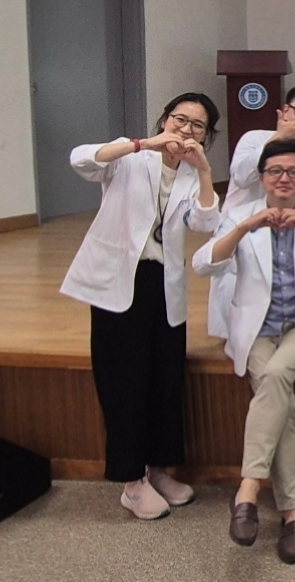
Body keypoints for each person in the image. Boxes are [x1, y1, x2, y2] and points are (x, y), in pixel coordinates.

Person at [60, 93, 221, 520]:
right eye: (180, 119)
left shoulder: (192, 175)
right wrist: (142, 144)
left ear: (207, 135)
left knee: (165, 380)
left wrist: (205, 171)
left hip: (163, 286)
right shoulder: (130, 156)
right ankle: (131, 482)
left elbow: (206, 222)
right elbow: (81, 160)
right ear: (165, 119)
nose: (186, 130)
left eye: (198, 125)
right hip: (118, 281)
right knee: (123, 381)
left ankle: (158, 470)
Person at [193, 138, 295, 565]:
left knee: (276, 375)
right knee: (280, 399)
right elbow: (203, 264)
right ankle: (293, 514)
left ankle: (248, 488)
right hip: (256, 329)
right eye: (276, 171)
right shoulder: (239, 214)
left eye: (294, 172)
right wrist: (245, 227)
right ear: (262, 177)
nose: (284, 179)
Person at [210, 81, 295, 338]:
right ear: (284, 112)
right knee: (240, 332)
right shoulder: (255, 139)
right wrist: (279, 138)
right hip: (244, 237)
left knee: (291, 322)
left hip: (289, 242)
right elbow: (241, 177)